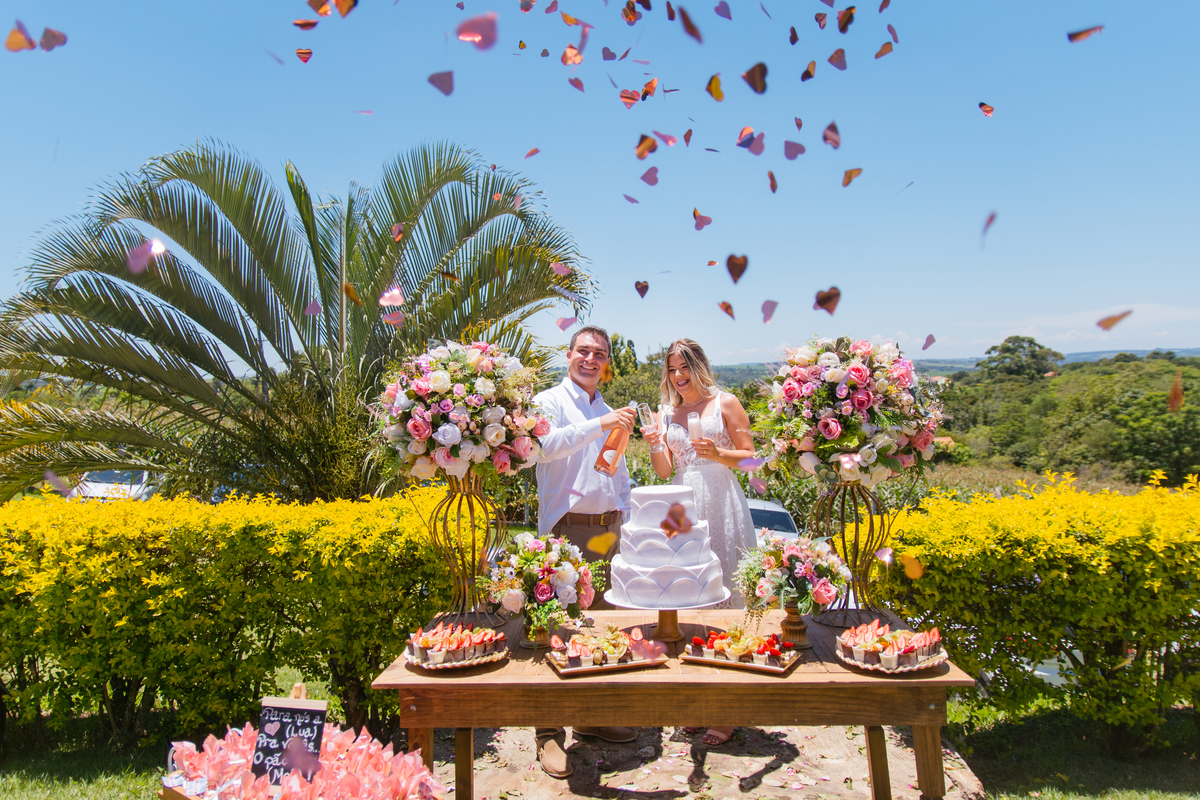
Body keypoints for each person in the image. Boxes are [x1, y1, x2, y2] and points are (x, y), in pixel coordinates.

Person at [530, 325, 638, 777]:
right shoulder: (548, 402)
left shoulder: (611, 410)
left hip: (605, 532)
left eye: (600, 353)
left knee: (598, 630)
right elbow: (541, 449)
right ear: (569, 354)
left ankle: (590, 718)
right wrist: (600, 425)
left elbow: (617, 474)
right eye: (583, 351)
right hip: (565, 530)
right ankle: (548, 732)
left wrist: (627, 523)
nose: (591, 359)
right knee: (555, 629)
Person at [641, 338, 758, 746]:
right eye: (672, 369)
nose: (678, 376)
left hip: (720, 498)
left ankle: (728, 708)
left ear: (699, 366)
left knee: (725, 597)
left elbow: (751, 458)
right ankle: (697, 702)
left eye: (684, 367)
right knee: (689, 596)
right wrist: (656, 441)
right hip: (681, 504)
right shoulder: (666, 411)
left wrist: (719, 453)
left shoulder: (726, 402)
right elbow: (663, 470)